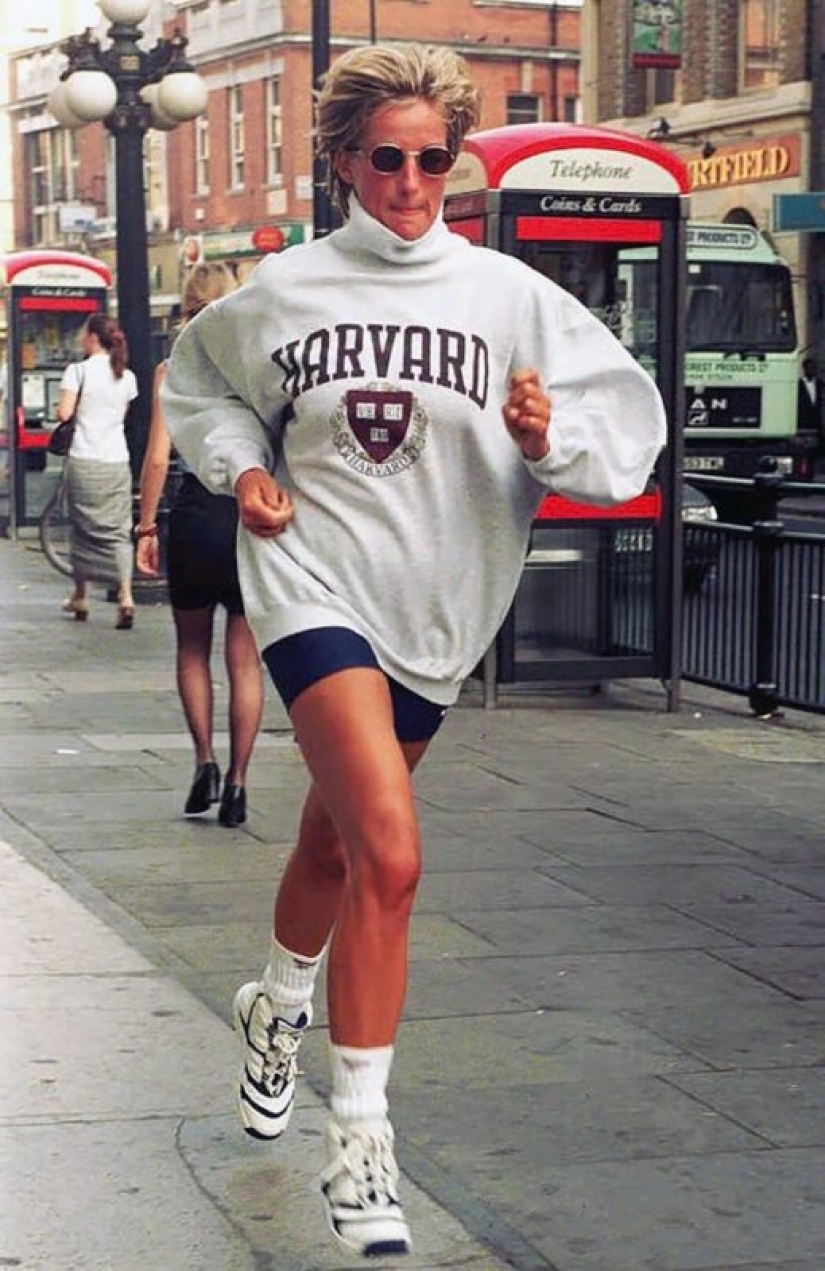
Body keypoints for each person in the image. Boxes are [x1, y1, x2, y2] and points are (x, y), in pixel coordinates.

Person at [163, 42, 667, 1259]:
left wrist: (549, 440)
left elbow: (622, 430)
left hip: (439, 607)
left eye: (432, 158)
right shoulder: (285, 290)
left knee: (336, 840)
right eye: (385, 158)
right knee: (390, 850)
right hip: (310, 583)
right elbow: (199, 384)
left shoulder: (510, 298)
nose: (409, 180)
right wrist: (244, 473)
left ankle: (278, 1003)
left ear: (456, 162)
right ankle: (362, 1143)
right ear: (344, 160)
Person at [135, 263, 263, 827]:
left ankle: (204, 763)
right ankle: (238, 784)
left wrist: (144, 528)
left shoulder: (173, 370)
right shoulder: (255, 371)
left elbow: (159, 458)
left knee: (192, 648)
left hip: (193, 518)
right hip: (246, 516)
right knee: (246, 659)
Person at [57, 313, 138, 629]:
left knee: (82, 529)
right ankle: (127, 596)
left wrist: (65, 411)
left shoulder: (77, 371)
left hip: (85, 458)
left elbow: (65, 413)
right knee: (119, 529)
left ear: (92, 336)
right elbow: (123, 417)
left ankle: (81, 595)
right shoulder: (127, 377)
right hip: (117, 461)